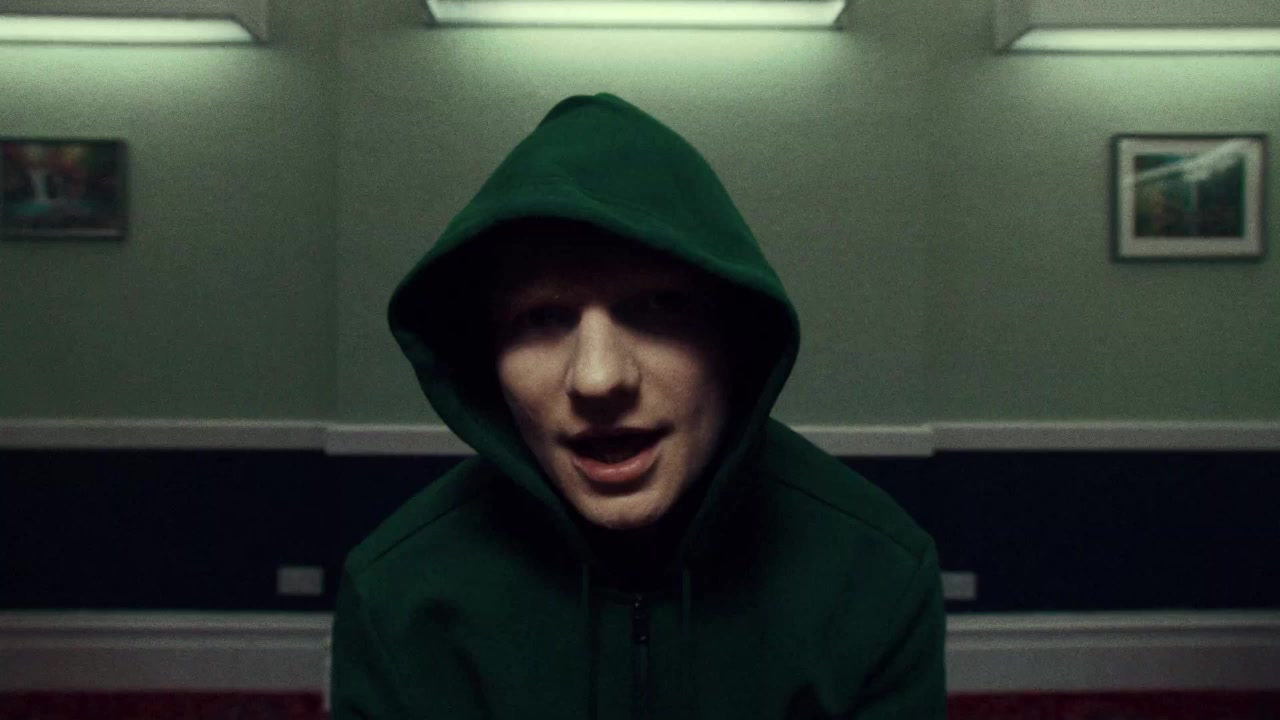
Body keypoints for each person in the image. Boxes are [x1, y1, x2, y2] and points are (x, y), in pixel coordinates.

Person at [330, 92, 946, 719]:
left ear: (734, 337)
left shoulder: (875, 575)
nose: (599, 379)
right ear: (485, 357)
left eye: (659, 306)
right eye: (542, 317)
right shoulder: (394, 595)